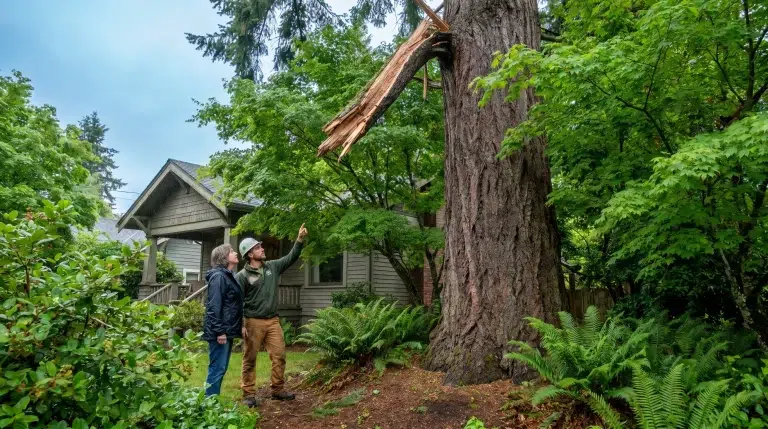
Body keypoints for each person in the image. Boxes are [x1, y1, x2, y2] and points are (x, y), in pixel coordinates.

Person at [237, 224, 308, 407]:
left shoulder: (273, 267)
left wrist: (299, 240)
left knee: (279, 355)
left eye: (261, 246)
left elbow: (291, 257)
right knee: (250, 358)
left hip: (273, 321)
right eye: (258, 247)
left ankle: (277, 390)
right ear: (250, 254)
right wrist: (241, 324)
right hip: (253, 321)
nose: (262, 248)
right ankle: (248, 394)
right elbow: (236, 301)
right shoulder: (242, 276)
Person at [202, 243, 243, 397]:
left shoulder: (227, 275)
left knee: (221, 368)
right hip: (220, 332)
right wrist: (220, 331)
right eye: (231, 251)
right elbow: (213, 306)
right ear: (224, 257)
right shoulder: (219, 277)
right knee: (217, 368)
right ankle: (209, 404)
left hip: (226, 330)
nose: (236, 253)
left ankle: (211, 402)